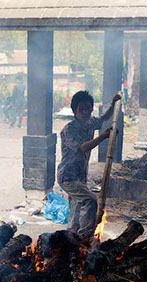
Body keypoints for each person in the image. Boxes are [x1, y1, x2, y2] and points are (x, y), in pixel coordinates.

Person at [57, 91, 121, 241]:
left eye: (88, 108)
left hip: (80, 175)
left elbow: (105, 118)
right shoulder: (69, 129)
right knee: (90, 200)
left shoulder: (91, 122)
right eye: (81, 109)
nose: (85, 112)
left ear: (92, 109)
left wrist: (113, 104)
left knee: (76, 205)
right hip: (68, 176)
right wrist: (104, 136)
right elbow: (84, 147)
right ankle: (85, 236)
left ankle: (72, 235)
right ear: (74, 111)